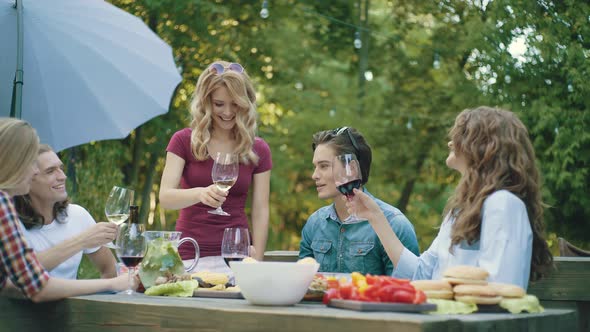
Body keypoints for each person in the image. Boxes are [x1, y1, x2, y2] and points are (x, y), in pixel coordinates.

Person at [349, 107, 553, 289]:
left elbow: (502, 289)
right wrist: (375, 216)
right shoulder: (460, 211)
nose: (450, 142)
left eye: (462, 135)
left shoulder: (504, 204)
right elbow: (421, 274)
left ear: (484, 147)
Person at [0, 118, 131, 302]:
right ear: (13, 163)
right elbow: (35, 285)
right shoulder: (3, 206)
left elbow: (11, 280)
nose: (33, 171)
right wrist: (113, 284)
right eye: (31, 163)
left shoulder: (76, 215)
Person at [159, 61, 272, 273]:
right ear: (206, 102)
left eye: (235, 104)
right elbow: (165, 198)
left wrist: (258, 259)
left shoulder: (258, 149)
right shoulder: (183, 141)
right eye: (219, 104)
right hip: (189, 254)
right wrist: (200, 194)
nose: (228, 112)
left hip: (236, 255)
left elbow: (260, 209)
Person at [299, 127, 420, 275]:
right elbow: (303, 284)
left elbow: (403, 289)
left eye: (324, 166)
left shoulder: (395, 225)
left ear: (351, 169)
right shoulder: (314, 224)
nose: (314, 175)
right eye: (315, 167)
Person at [14, 144, 118, 280]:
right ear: (26, 180)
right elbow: (22, 274)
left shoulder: (77, 215)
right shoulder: (10, 224)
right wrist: (82, 240)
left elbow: (110, 270)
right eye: (50, 171)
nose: (62, 176)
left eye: (61, 168)